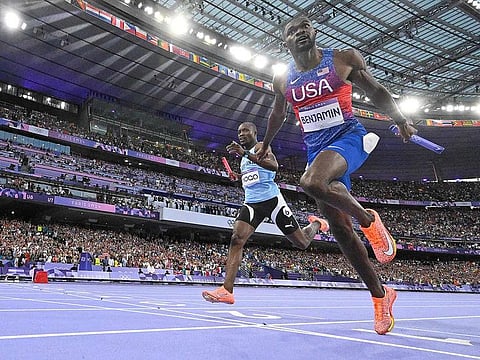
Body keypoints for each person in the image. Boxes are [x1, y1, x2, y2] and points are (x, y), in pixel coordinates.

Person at [256, 15, 418, 335]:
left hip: (348, 138)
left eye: (305, 26)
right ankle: (381, 297)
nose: (300, 31)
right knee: (341, 231)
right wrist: (266, 144)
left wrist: (399, 119)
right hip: (317, 152)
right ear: (285, 42)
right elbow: (279, 112)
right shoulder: (283, 79)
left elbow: (377, 91)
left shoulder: (343, 60)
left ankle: (369, 220)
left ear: (314, 32)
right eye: (292, 30)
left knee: (311, 183)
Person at [202, 121, 329, 304]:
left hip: (271, 201)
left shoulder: (261, 147)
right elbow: (254, 175)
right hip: (252, 203)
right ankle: (226, 290)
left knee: (301, 242)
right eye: (239, 131)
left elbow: (273, 166)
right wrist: (238, 177)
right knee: (237, 238)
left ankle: (316, 223)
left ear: (255, 133)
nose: (241, 134)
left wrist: (245, 152)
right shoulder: (244, 160)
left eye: (245, 130)